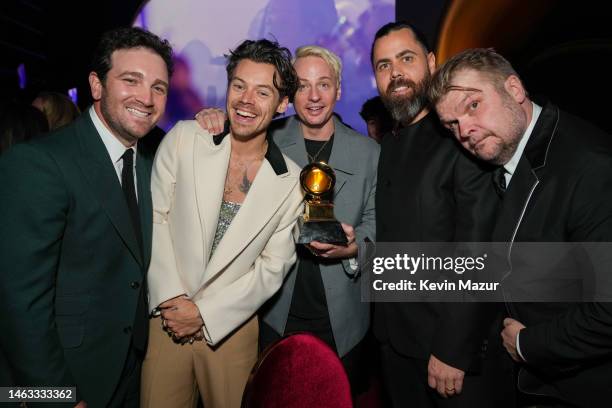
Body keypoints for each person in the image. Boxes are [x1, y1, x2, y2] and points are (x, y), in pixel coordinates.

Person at [0, 27, 173, 407]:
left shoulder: (150, 161)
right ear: (96, 85)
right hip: (61, 377)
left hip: (128, 368)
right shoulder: (39, 164)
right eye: (132, 80)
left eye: (159, 87)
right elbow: (19, 302)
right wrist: (54, 396)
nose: (146, 97)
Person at [430, 47, 612, 407]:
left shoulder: (590, 166)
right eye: (452, 124)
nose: (464, 130)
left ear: (513, 89)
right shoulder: (514, 157)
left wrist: (528, 345)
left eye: (473, 105)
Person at [195, 45, 379, 395]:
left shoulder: (369, 152)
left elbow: (375, 220)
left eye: (324, 84)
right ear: (289, 93)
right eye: (303, 85)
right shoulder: (267, 139)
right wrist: (212, 121)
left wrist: (353, 249)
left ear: (338, 90)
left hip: (344, 317)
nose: (313, 96)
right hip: (274, 310)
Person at [141, 39, 304, 408]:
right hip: (166, 316)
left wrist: (203, 313)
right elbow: (155, 217)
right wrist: (171, 298)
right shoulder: (185, 138)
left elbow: (272, 268)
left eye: (263, 92)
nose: (246, 100)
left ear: (282, 105)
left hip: (230, 327)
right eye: (239, 86)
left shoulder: (291, 182)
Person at [371, 22, 512, 407]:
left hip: (450, 355)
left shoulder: (461, 135)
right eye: (383, 65)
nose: (395, 72)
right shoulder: (389, 145)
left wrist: (453, 348)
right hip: (395, 346)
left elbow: (480, 249)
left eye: (406, 58)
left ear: (431, 62)